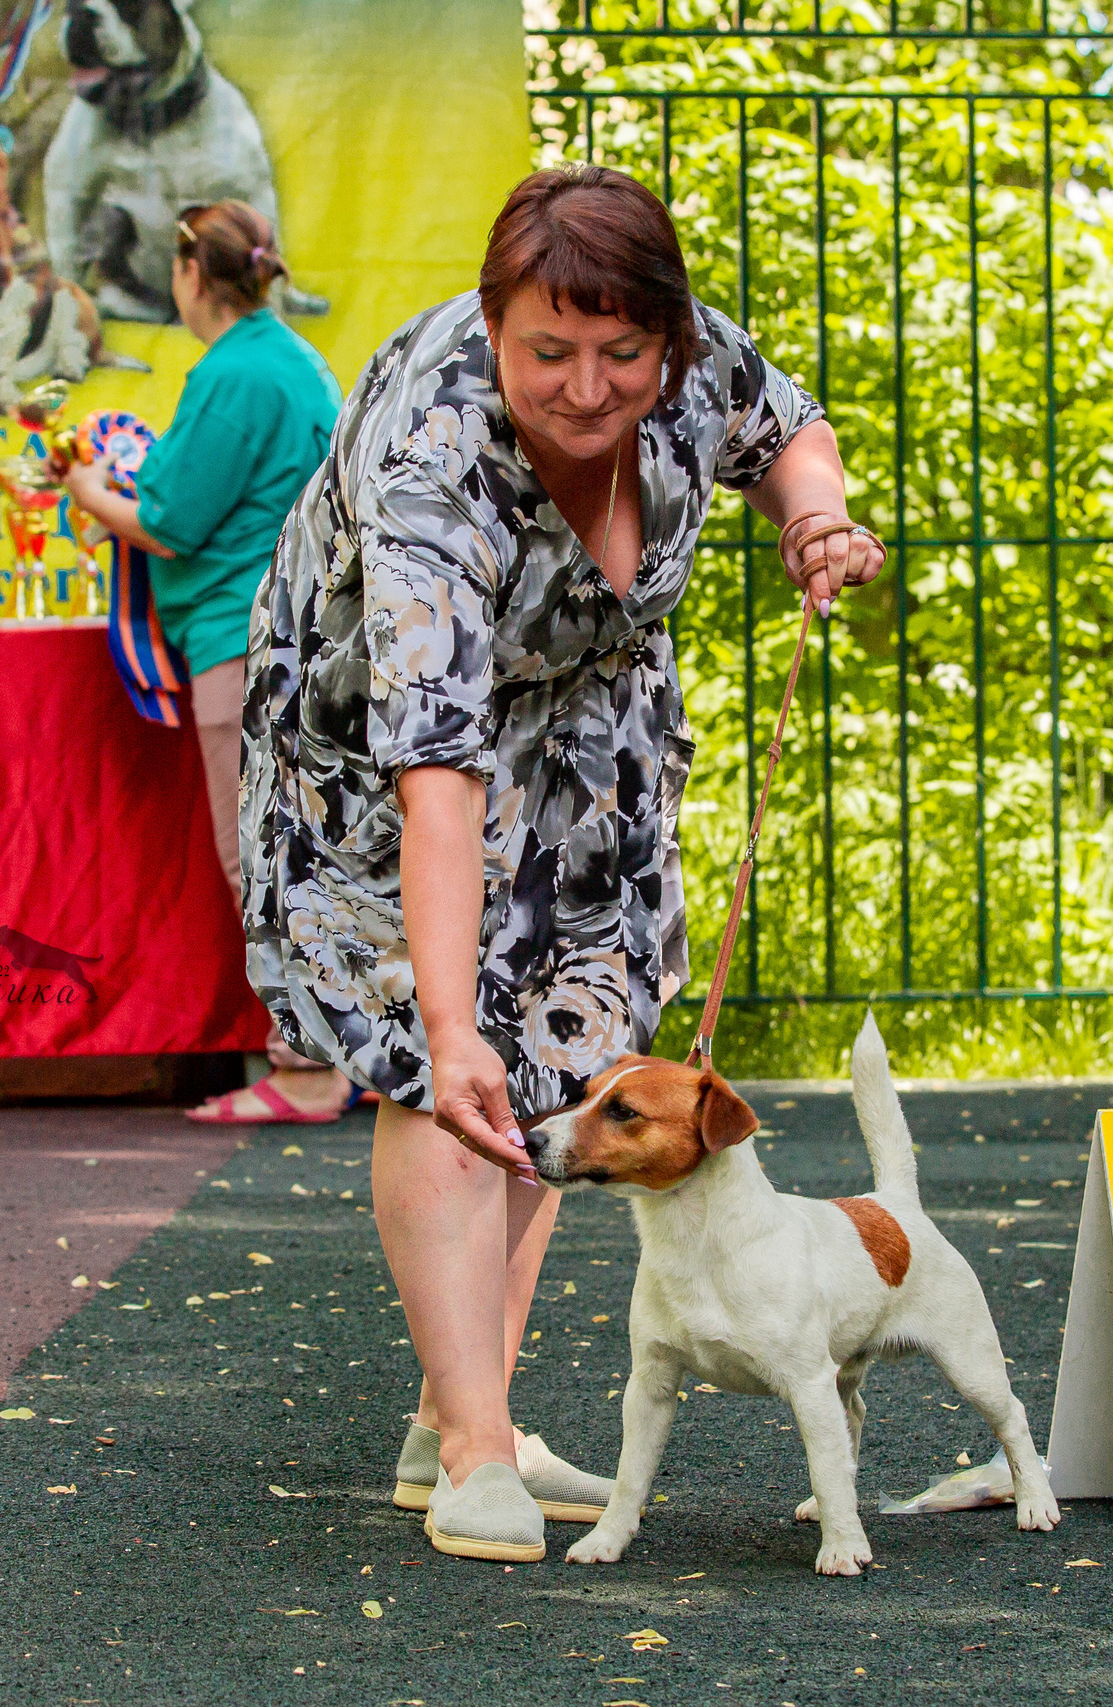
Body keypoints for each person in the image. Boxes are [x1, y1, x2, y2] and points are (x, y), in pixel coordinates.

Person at [239, 164, 887, 1560]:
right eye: (550, 352)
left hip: (588, 734)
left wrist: (814, 515)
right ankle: (476, 1447)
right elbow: (440, 785)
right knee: (451, 1065)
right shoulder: (435, 465)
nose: (590, 385)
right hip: (381, 757)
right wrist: (455, 1014)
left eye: (623, 352)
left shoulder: (683, 356)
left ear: (663, 334)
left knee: (564, 1057)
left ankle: (454, 1411)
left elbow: (792, 433)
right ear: (496, 321)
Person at [64, 199, 356, 1124]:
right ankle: (351, 1053)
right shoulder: (294, 361)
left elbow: (169, 521)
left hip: (242, 635)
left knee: (261, 853)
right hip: (309, 637)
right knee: (317, 850)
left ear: (192, 276)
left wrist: (85, 487)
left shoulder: (233, 374)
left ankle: (305, 1068)